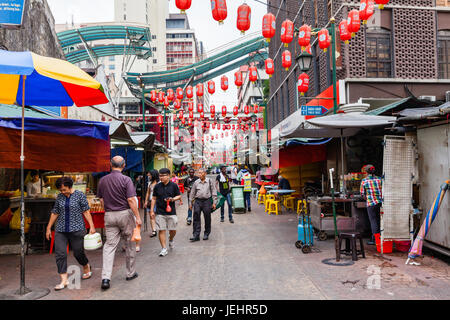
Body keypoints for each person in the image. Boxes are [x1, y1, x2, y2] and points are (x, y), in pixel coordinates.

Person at [97, 156, 142, 291]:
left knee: (109, 246)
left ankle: (106, 278)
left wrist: (108, 210)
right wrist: (137, 216)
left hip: (109, 215)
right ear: (124, 165)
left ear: (110, 165)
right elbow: (131, 200)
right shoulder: (126, 179)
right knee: (129, 244)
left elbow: (101, 200)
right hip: (124, 214)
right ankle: (130, 273)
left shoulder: (102, 180)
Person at [46, 177, 95, 291]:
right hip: (61, 230)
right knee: (60, 254)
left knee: (78, 253)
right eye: (60, 190)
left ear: (70, 186)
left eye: (64, 189)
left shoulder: (79, 195)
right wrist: (49, 228)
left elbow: (86, 211)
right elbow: (55, 212)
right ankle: (64, 280)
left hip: (77, 229)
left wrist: (91, 226)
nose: (62, 192)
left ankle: (86, 265)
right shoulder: (60, 197)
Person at [150, 168, 181, 257]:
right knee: (161, 230)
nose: (161, 177)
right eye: (160, 175)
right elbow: (154, 198)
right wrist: (152, 210)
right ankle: (164, 248)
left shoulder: (174, 186)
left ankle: (171, 239)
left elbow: (178, 196)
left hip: (171, 212)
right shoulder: (157, 186)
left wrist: (172, 199)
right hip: (160, 211)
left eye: (163, 175)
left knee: (173, 230)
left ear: (168, 176)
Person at [189, 168, 217, 241]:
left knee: (207, 217)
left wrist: (214, 202)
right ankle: (196, 235)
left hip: (207, 201)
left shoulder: (209, 181)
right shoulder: (196, 182)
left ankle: (206, 233)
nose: (199, 174)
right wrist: (190, 203)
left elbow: (214, 192)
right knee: (196, 217)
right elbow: (192, 193)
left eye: (201, 173)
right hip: (198, 201)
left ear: (205, 173)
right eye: (199, 173)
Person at [360, 164, 383, 245]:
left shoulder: (364, 181)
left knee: (373, 221)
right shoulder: (380, 179)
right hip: (380, 203)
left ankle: (374, 239)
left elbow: (362, 194)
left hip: (371, 204)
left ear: (366, 172)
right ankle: (381, 238)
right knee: (379, 220)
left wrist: (368, 198)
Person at [144, 169, 159, 238]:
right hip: (151, 202)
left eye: (149, 175)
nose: (148, 176)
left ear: (153, 175)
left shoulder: (159, 183)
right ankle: (154, 230)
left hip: (158, 202)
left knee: (158, 216)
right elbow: (148, 192)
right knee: (151, 215)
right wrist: (146, 201)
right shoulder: (149, 183)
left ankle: (160, 228)